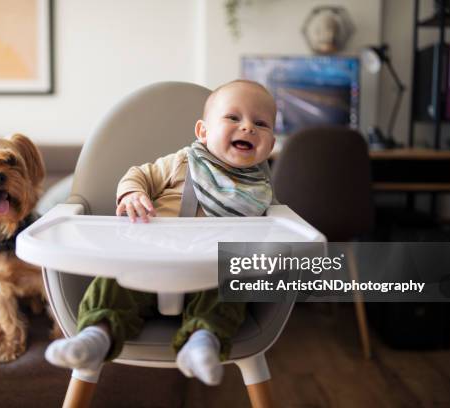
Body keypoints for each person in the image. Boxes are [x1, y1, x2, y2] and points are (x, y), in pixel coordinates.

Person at [46, 80, 277, 386]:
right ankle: (95, 337)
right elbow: (139, 175)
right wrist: (131, 195)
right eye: (233, 118)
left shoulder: (258, 192)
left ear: (271, 144)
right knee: (112, 285)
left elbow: (265, 237)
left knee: (228, 291)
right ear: (203, 132)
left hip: (208, 272)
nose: (247, 127)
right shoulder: (182, 162)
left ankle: (202, 342)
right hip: (148, 259)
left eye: (260, 123)